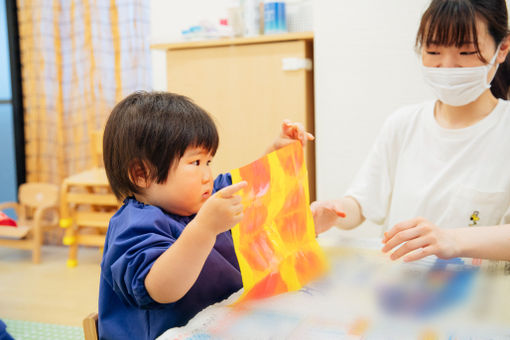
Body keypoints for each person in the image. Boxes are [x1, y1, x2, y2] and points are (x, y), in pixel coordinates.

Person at [98, 91, 312, 340]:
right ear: (141, 174)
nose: (207, 175)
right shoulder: (133, 225)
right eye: (195, 163)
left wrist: (276, 152)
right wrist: (204, 229)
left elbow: (249, 189)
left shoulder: (201, 201)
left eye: (208, 162)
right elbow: (160, 289)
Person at [311, 0, 510, 262]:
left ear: (502, 48)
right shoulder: (403, 124)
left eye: (466, 52)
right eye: (434, 52)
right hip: (401, 293)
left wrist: (452, 240)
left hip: (480, 298)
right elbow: (360, 204)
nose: (447, 67)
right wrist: (335, 212)